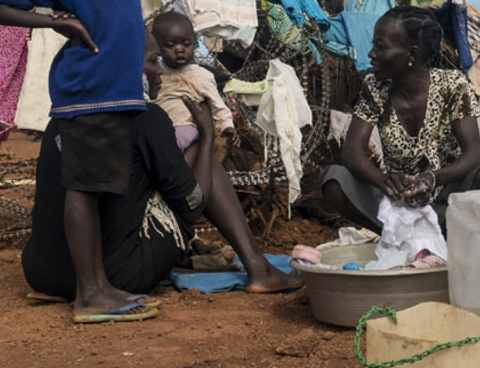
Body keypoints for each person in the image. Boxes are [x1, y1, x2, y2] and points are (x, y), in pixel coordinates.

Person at [0, 0, 161, 321]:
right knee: (83, 191)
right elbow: (0, 8)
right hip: (88, 96)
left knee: (97, 191)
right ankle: (89, 294)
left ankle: (99, 284)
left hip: (115, 98)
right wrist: (54, 23)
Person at [22, 59, 302, 322]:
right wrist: (206, 138)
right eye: (153, 60)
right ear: (132, 66)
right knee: (197, 157)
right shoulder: (145, 117)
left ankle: (247, 265)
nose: (161, 70)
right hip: (119, 276)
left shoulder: (60, 118)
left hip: (42, 273)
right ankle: (258, 267)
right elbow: (192, 207)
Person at [321, 7, 480, 232]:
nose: (371, 54)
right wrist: (386, 182)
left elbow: (474, 155)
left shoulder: (452, 85)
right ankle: (397, 235)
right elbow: (352, 151)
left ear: (411, 53)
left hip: (449, 202)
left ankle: (453, 236)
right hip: (400, 202)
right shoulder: (375, 87)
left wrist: (430, 179)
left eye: (380, 47)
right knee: (334, 180)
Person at [149, 12, 238, 151]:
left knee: (167, 150)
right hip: (157, 126)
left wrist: (227, 126)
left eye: (186, 44)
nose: (179, 49)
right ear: (157, 47)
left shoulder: (201, 76)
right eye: (170, 45)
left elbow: (217, 104)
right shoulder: (156, 72)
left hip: (184, 127)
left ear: (194, 43)